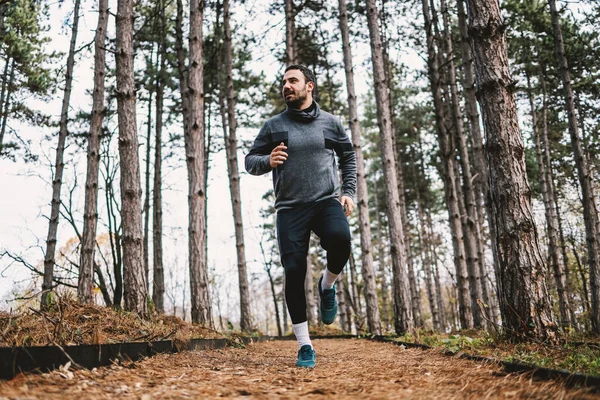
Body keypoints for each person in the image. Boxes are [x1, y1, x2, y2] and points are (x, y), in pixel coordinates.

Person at [245, 64, 357, 368]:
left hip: (324, 201)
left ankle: (327, 285)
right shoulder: (273, 126)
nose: (286, 86)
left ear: (309, 86)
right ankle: (305, 345)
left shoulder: (330, 124)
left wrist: (347, 191)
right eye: (283, 82)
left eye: (292, 81)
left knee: (341, 238)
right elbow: (250, 161)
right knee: (293, 270)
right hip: (290, 208)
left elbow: (348, 156)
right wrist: (268, 160)